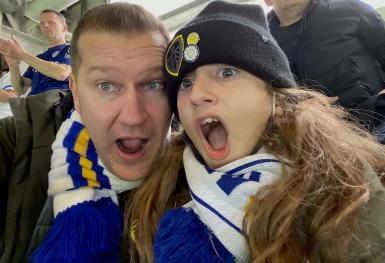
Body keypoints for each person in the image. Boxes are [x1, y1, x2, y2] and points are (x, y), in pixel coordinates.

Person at [125, 1, 385, 262]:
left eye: (226, 73)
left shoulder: (345, 189)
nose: (197, 94)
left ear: (274, 96)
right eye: (186, 83)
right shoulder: (156, 197)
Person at [0, 3, 171, 263]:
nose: (133, 116)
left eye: (153, 84)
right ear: (76, 93)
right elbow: (19, 85)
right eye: (105, 85)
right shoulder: (17, 139)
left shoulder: (203, 178)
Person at [264, 0, 385, 136]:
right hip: (317, 137)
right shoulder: (262, 41)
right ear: (267, 1)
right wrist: (297, 110)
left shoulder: (351, 9)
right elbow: (267, 98)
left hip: (377, 115)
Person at [0, 9, 71, 96]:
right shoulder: (39, 58)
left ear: (65, 28)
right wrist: (13, 65)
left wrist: (22, 55)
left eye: (51, 22)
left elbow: (61, 74)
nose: (45, 25)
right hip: (35, 105)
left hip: (58, 104)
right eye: (42, 23)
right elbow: (20, 90)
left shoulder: (71, 48)